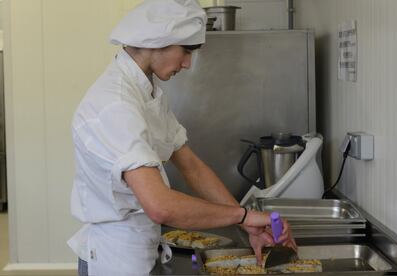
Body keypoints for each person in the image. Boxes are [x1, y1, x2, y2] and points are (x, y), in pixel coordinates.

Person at [68, 0, 296, 275]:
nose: (188, 64)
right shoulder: (115, 104)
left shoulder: (146, 92)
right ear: (157, 40)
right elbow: (161, 206)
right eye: (185, 51)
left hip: (143, 249)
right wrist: (244, 215)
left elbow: (191, 165)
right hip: (115, 260)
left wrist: (244, 221)